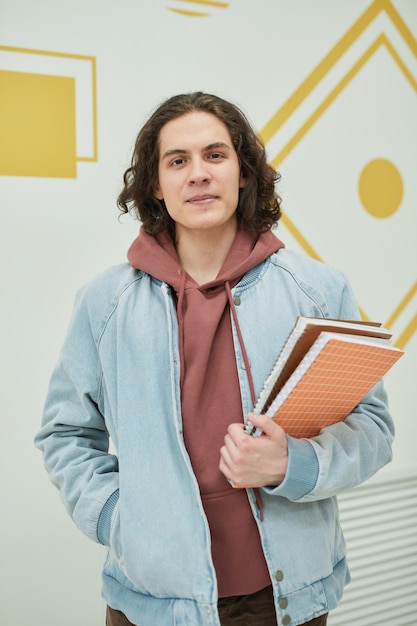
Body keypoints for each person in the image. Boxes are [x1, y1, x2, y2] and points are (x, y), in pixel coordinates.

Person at [35, 92, 394, 626]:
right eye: (177, 161)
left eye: (215, 155)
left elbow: (373, 427)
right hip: (149, 602)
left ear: (244, 172)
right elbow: (65, 434)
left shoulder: (319, 289)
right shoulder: (103, 304)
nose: (198, 173)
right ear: (156, 185)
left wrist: (292, 464)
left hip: (285, 601)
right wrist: (118, 516)